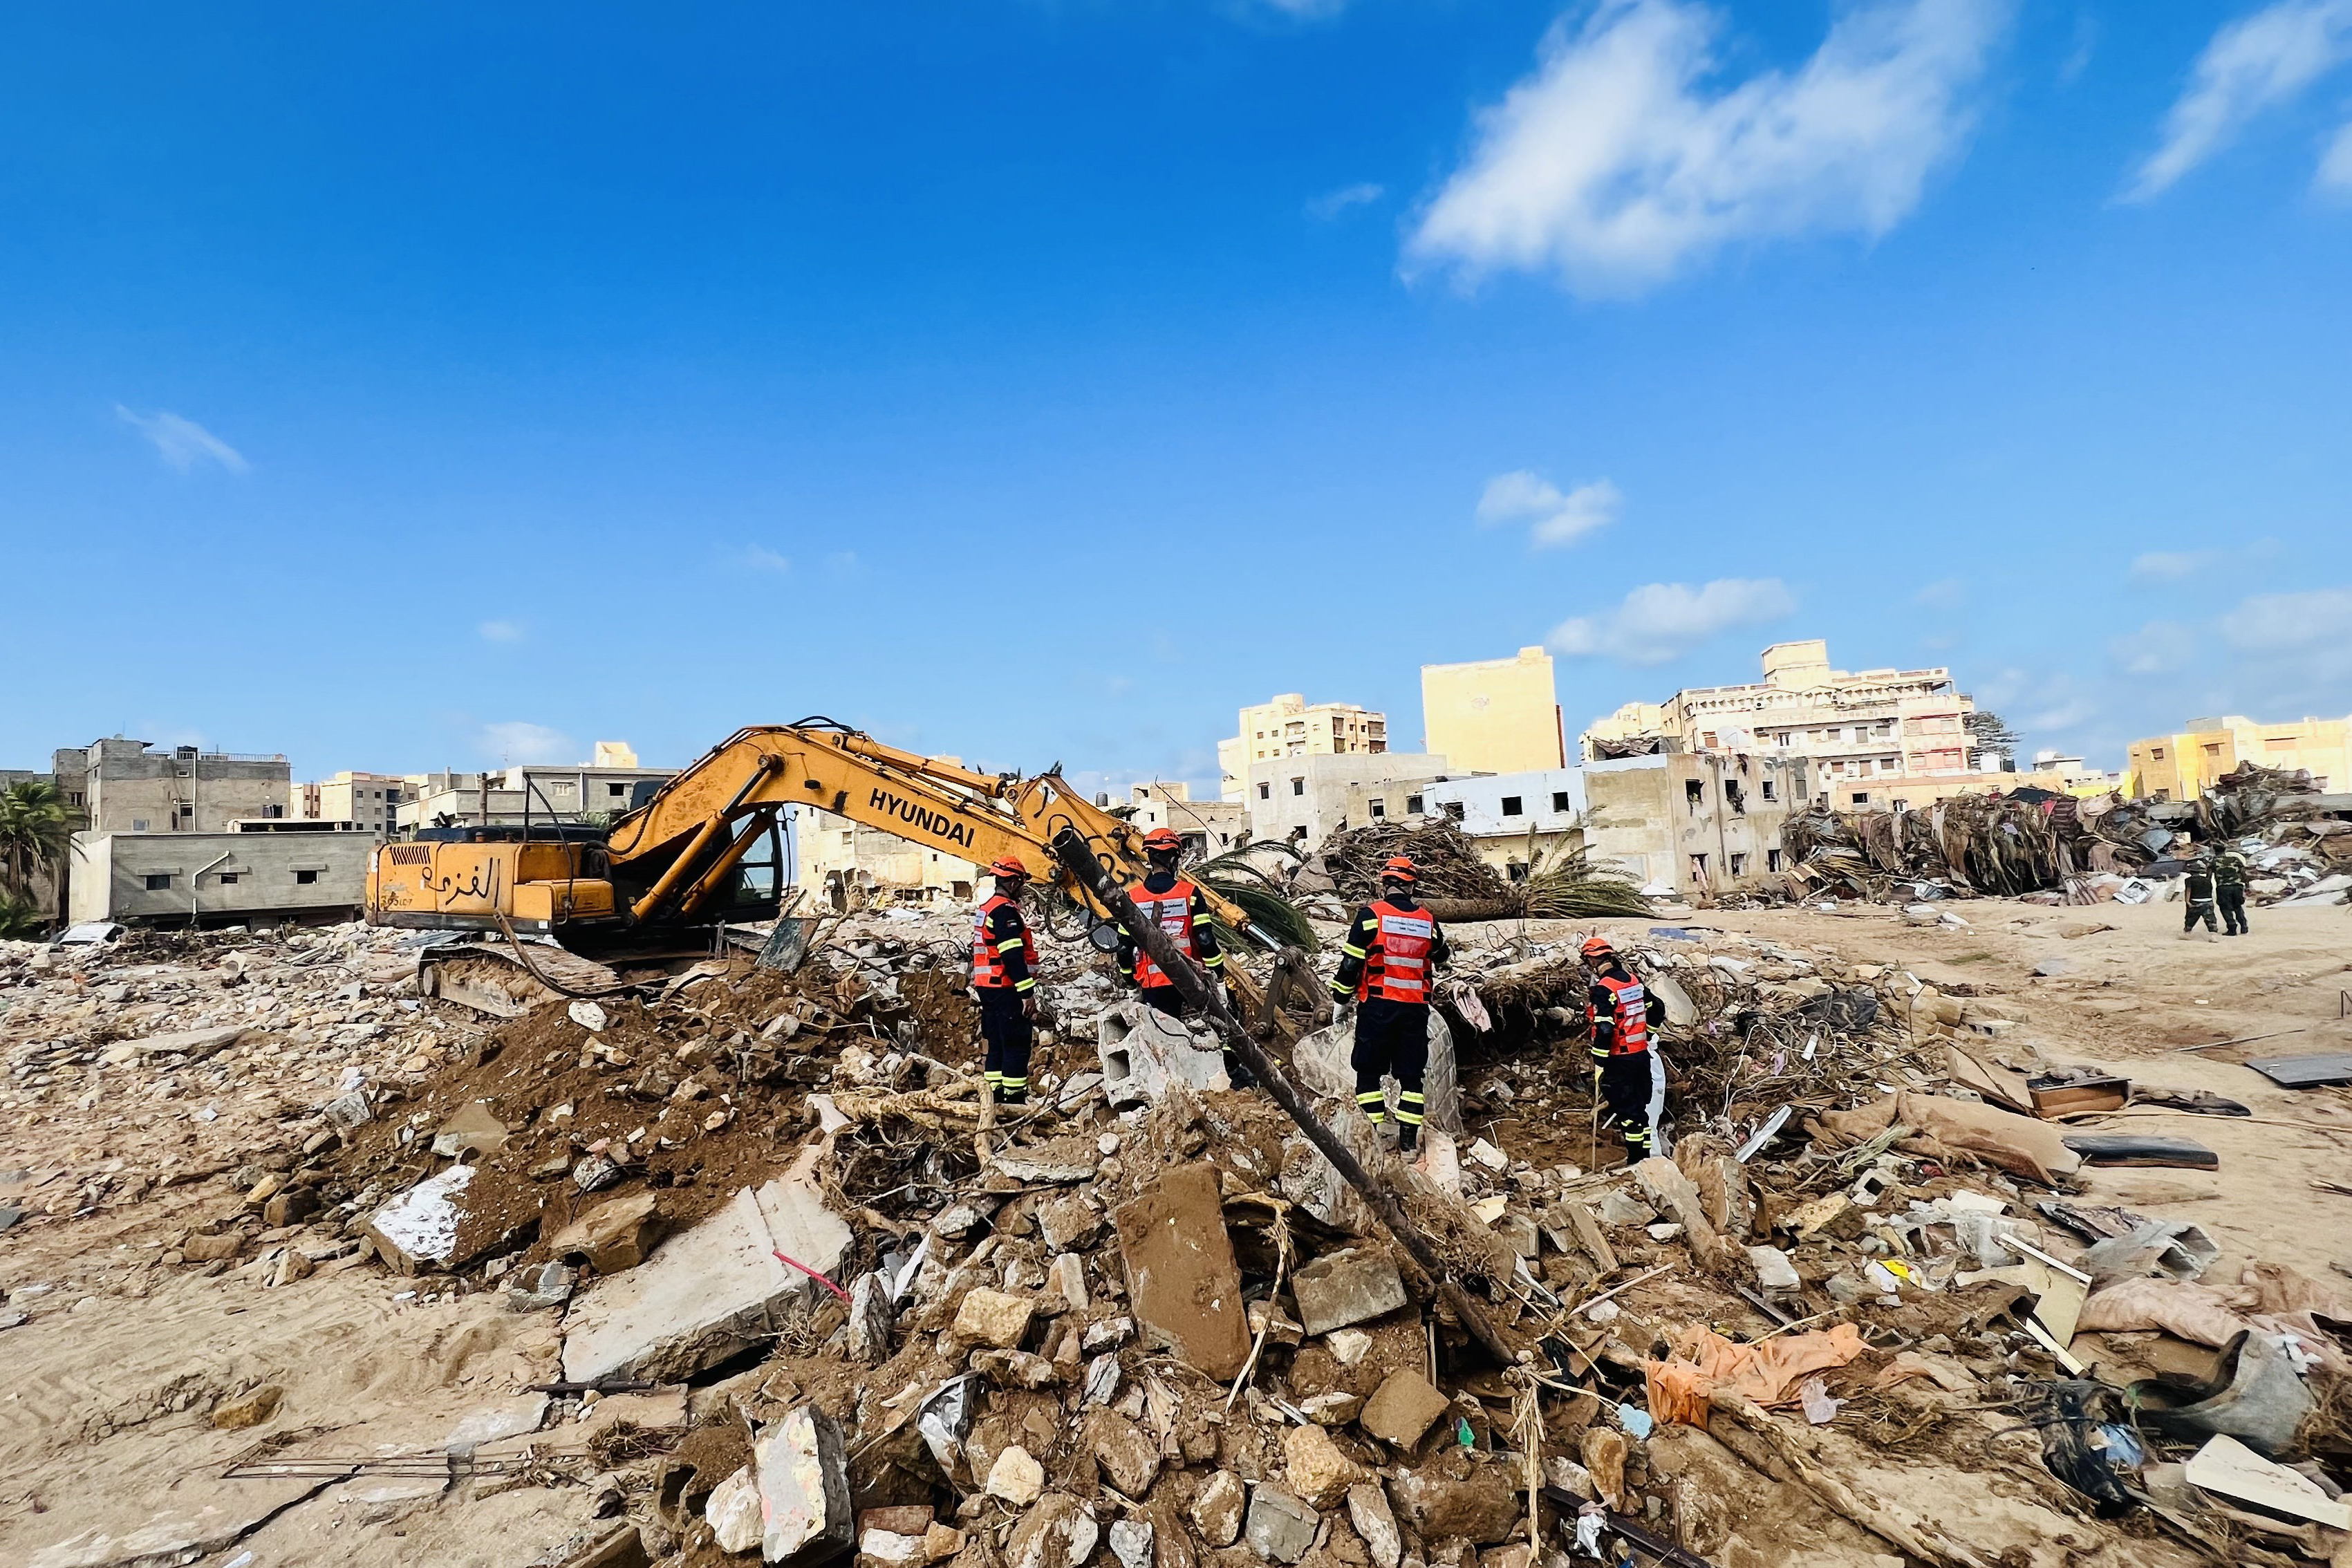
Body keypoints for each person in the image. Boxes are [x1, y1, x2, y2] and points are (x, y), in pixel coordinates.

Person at [1328, 856, 1448, 1152]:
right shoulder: (1428, 921)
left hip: (1378, 1008)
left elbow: (1350, 964)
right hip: (1415, 1010)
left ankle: (1373, 1139)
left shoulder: (1370, 917)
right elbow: (1442, 955)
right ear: (1412, 886)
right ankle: (1408, 1144)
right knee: (1411, 1078)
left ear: (1384, 885)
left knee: (1369, 1072)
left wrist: (1340, 1000)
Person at [1116, 827, 1248, 1085]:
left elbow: (1123, 949)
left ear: (1149, 857)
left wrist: (1131, 984)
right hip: (1191, 979)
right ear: (1175, 858)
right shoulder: (1189, 893)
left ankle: (1172, 1083)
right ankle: (1232, 1074)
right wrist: (1219, 978)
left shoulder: (1133, 898)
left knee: (1165, 1036)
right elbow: (1206, 940)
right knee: (1222, 1022)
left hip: (1154, 984)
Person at [1584, 935, 1669, 1163]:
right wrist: (1647, 1034)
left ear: (1592, 961)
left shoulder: (1604, 989)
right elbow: (1658, 1008)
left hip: (1619, 1059)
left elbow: (1604, 1028)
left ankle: (1636, 1161)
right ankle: (1646, 1160)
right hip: (1641, 1056)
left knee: (1629, 1116)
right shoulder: (1632, 981)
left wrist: (1600, 1062)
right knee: (1640, 1112)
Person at [971, 855, 1040, 1104]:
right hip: (1006, 988)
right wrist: (1027, 994)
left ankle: (993, 1098)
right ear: (1013, 883)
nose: (1022, 890)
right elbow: (1012, 956)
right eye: (1021, 884)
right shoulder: (1005, 912)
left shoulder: (986, 909)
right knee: (1016, 1044)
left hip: (987, 988)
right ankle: (1014, 1100)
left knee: (997, 1044)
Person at [2214, 843, 2250, 937]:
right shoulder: (2235, 859)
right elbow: (2243, 873)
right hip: (2237, 886)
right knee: (2238, 906)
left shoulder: (2214, 862)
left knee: (2225, 908)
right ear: (2225, 850)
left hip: (2223, 887)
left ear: (2215, 851)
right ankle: (2244, 925)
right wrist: (2247, 885)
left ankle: (2232, 927)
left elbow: (2208, 876)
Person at [2182, 852, 2219, 938]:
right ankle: (2213, 935)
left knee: (2191, 919)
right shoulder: (2207, 880)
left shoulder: (2189, 880)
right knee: (2210, 919)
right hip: (2208, 901)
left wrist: (2187, 901)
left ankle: (2187, 934)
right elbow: (2210, 877)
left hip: (2195, 901)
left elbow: (2188, 891)